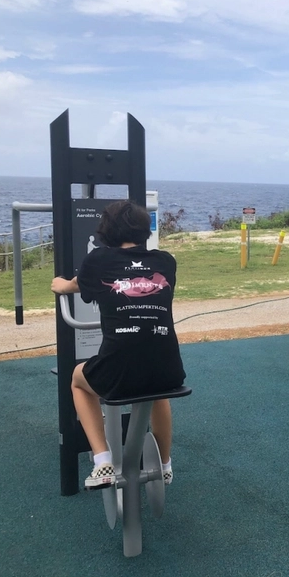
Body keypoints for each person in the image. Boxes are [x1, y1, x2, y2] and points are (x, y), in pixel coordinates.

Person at [51, 200, 186, 490]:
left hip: (118, 369)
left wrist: (59, 285)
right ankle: (165, 465)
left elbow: (76, 284)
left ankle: (102, 461)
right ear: (144, 229)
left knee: (77, 380)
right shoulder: (166, 261)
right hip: (170, 368)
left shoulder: (98, 260)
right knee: (156, 391)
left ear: (106, 231)